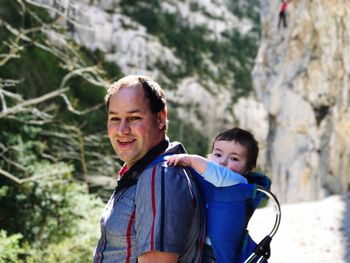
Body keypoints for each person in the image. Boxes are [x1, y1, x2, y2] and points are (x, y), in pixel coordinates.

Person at [93, 75, 205, 263]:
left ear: (161, 118)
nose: (122, 130)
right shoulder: (142, 172)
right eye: (115, 118)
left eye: (134, 117)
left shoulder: (160, 176)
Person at [167, 127, 269, 263]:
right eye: (218, 154)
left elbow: (217, 174)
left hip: (215, 253)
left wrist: (191, 160)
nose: (223, 162)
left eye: (234, 158)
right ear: (210, 155)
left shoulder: (238, 182)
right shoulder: (211, 180)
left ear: (247, 169)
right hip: (201, 246)